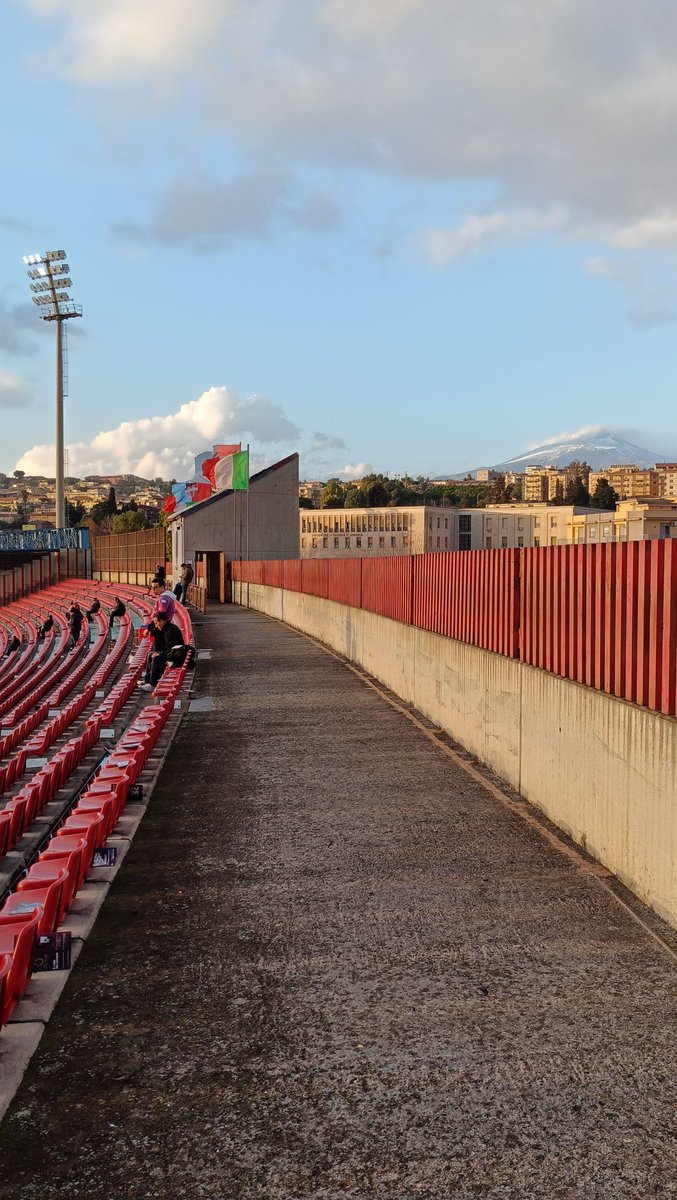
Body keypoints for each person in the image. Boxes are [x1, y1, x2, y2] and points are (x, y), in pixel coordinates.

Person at [139, 612, 185, 690]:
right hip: (173, 654)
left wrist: (161, 655)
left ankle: (153, 684)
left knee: (157, 658)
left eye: (157, 622)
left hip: (177, 657)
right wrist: (160, 654)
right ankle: (148, 680)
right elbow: (168, 648)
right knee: (150, 654)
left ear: (162, 621)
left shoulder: (171, 630)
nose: (156, 625)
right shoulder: (167, 628)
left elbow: (174, 649)